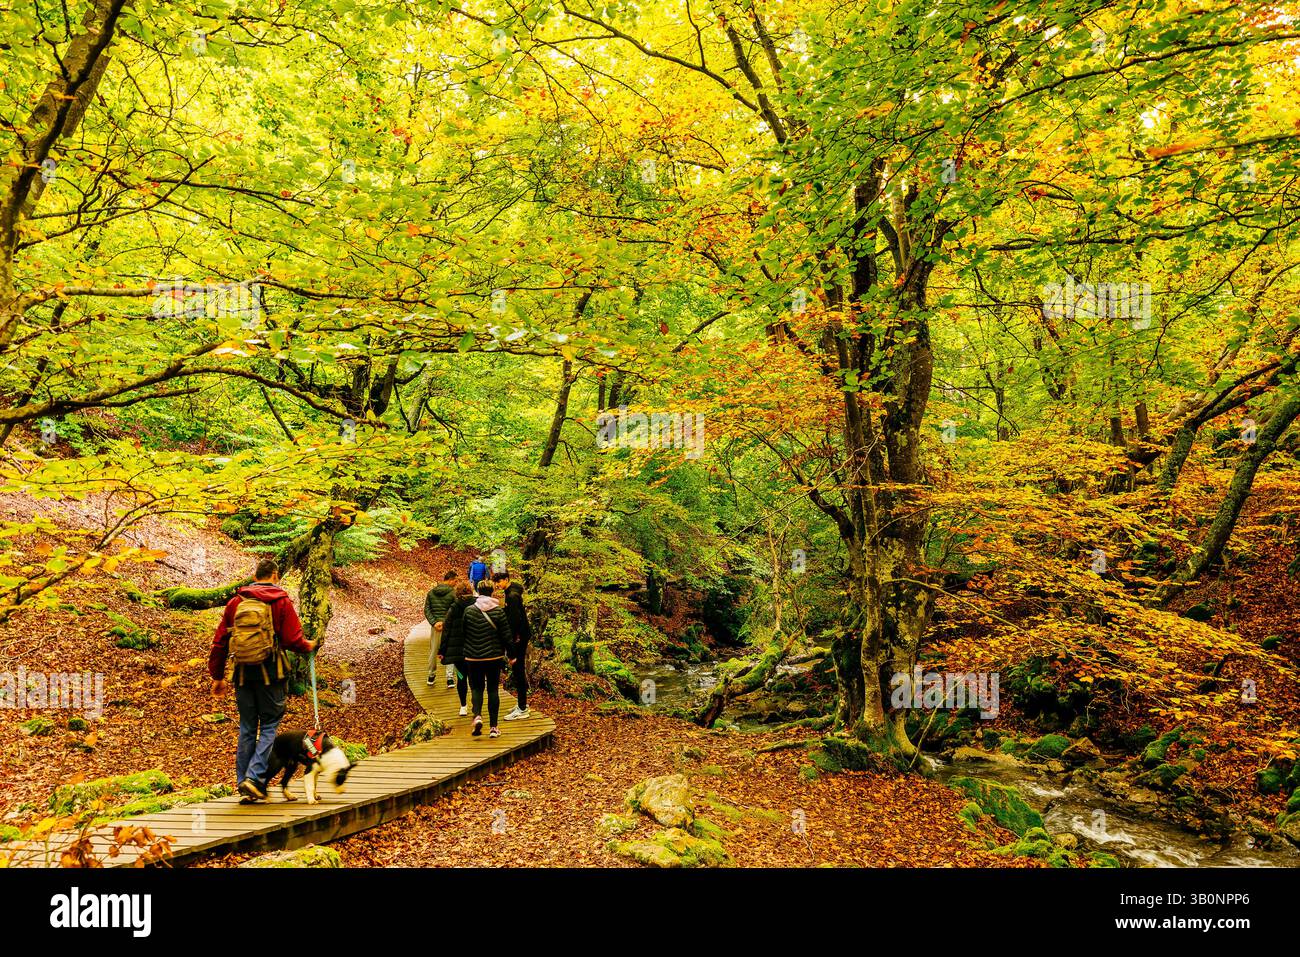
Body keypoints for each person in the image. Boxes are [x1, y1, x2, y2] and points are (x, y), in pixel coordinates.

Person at [208, 557, 316, 803]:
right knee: (268, 725)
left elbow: (220, 642)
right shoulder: (280, 601)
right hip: (272, 674)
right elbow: (292, 640)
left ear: (255, 576)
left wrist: (217, 676)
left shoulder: (237, 602)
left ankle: (243, 782)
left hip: (243, 674)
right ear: (275, 576)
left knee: (247, 727)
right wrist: (307, 645)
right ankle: (254, 779)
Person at [461, 581, 510, 738]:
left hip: (473, 658)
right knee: (493, 690)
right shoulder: (499, 611)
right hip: (494, 657)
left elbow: (464, 633)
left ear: (477, 591)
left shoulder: (468, 611)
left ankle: (477, 717)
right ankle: (494, 728)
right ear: (493, 591)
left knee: (476, 688)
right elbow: (506, 636)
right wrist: (513, 655)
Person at [496, 573, 532, 720]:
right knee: (518, 670)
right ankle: (521, 704)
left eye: (499, 581)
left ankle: (522, 708)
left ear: (506, 580)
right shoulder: (511, 593)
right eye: (496, 582)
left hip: (519, 638)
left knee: (518, 669)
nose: (497, 584)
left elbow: (515, 620)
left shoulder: (512, 596)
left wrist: (512, 639)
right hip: (522, 635)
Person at [439, 582, 474, 715]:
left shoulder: (453, 608)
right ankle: (475, 705)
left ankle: (463, 706)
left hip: (458, 653)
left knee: (460, 677)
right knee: (473, 678)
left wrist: (442, 650)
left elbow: (446, 630)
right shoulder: (477, 604)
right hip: (474, 650)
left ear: (458, 593)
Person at [424, 570, 458, 687]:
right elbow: (454, 610)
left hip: (436, 628)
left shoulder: (431, 593)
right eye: (455, 581)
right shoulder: (453, 594)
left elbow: (427, 610)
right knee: (450, 651)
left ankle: (431, 675)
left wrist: (434, 623)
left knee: (433, 651)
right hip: (449, 627)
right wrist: (445, 622)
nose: (456, 583)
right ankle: (450, 678)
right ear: (450, 580)